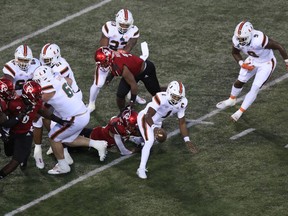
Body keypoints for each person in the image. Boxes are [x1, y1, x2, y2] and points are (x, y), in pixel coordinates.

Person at [33, 66, 108, 175]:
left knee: (53, 137)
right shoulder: (57, 77)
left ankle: (63, 166)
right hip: (82, 111)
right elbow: (69, 81)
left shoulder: (48, 88)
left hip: (74, 117)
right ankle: (98, 144)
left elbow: (40, 104)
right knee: (67, 139)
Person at [216, 20, 288, 121]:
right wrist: (242, 64)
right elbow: (235, 53)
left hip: (266, 63)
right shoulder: (237, 40)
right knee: (239, 81)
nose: (240, 41)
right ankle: (231, 100)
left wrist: (286, 61)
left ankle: (240, 111)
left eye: (243, 38)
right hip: (252, 60)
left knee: (255, 87)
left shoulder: (258, 39)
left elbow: (279, 46)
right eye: (239, 38)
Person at [33, 43, 83, 169]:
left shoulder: (61, 67)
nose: (44, 62)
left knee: (57, 124)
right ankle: (54, 147)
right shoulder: (55, 64)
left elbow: (60, 84)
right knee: (45, 117)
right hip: (63, 95)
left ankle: (63, 152)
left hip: (69, 98)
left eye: (48, 60)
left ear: (55, 57)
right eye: (44, 59)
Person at [87, 8, 146, 113]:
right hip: (106, 57)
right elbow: (103, 46)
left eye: (126, 25)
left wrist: (123, 53)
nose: (124, 27)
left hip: (122, 55)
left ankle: (130, 94)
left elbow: (130, 45)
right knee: (99, 83)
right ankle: (91, 104)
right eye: (122, 24)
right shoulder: (109, 27)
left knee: (131, 76)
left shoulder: (134, 30)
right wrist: (112, 55)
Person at [136, 81, 198, 179]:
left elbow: (182, 122)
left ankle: (137, 139)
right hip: (145, 119)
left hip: (158, 122)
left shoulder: (182, 103)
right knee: (149, 141)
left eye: (178, 97)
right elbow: (148, 115)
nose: (176, 99)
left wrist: (187, 140)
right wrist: (154, 128)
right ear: (169, 92)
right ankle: (141, 169)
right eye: (174, 96)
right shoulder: (160, 98)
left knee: (161, 138)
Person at [94, 46, 162, 111]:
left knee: (156, 93)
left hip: (145, 70)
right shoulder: (113, 58)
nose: (101, 65)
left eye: (103, 63)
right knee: (120, 95)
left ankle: (169, 91)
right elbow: (114, 66)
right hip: (132, 71)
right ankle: (122, 113)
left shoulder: (120, 67)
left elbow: (133, 85)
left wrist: (132, 101)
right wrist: (110, 77)